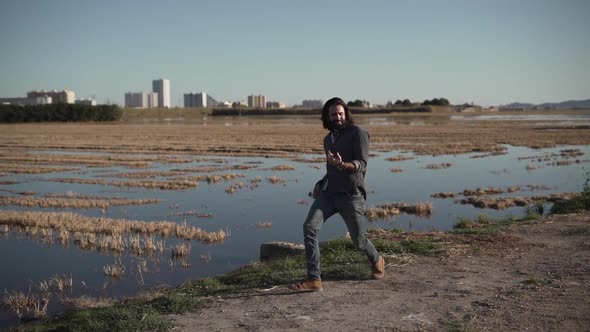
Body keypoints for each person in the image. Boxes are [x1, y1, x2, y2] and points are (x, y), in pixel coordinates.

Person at [289, 97, 384, 292]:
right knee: (310, 227)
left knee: (359, 241)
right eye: (333, 114)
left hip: (351, 195)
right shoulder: (328, 139)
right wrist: (321, 183)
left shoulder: (358, 133)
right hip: (329, 194)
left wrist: (343, 164)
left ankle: (377, 259)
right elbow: (331, 170)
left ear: (346, 114)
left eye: (341, 113)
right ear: (327, 117)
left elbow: (361, 164)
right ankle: (314, 279)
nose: (338, 117)